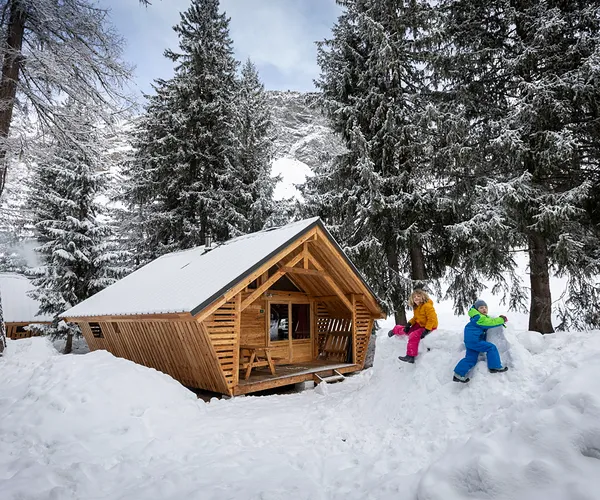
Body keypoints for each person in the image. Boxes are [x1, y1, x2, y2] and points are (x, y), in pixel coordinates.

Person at [453, 300, 508, 383]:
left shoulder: (477, 317)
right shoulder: (479, 318)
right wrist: (501, 320)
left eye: (485, 307)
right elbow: (491, 322)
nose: (484, 309)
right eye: (481, 308)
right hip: (475, 341)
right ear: (477, 310)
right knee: (491, 347)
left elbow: (487, 321)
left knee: (471, 359)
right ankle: (495, 366)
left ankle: (458, 374)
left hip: (470, 342)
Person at [387, 289, 438, 364]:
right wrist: (409, 324)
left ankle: (410, 356)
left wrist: (427, 330)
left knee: (413, 335)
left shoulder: (427, 306)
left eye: (418, 296)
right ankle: (395, 330)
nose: (416, 298)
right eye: (414, 297)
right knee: (406, 330)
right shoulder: (416, 307)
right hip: (420, 324)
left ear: (423, 297)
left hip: (429, 326)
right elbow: (415, 318)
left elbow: (432, 319)